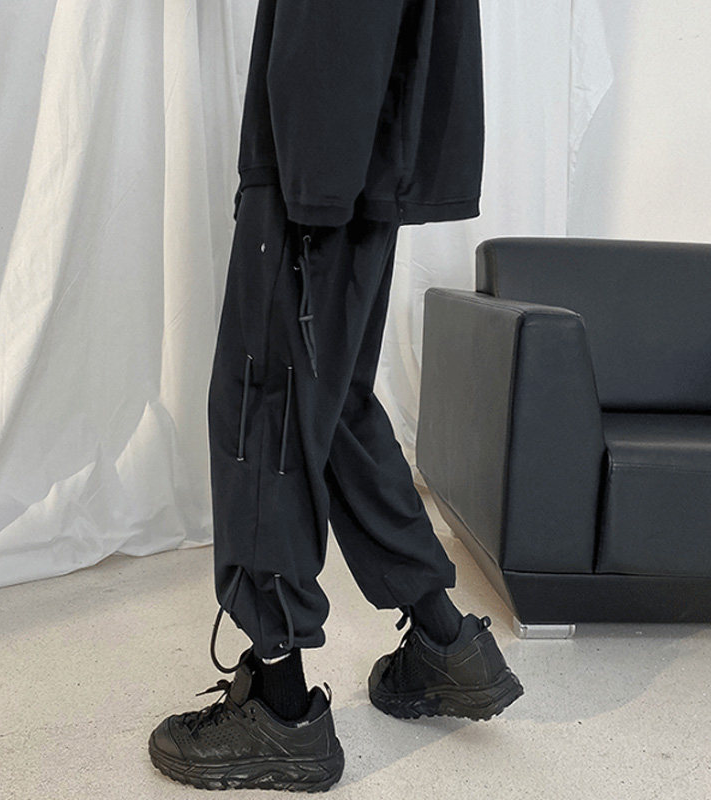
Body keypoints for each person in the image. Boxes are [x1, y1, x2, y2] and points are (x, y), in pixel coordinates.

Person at [148, 0, 523, 791]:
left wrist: (312, 187)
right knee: (335, 405)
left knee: (267, 408)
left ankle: (278, 709)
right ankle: (446, 643)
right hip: (363, 144)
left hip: (323, 155)